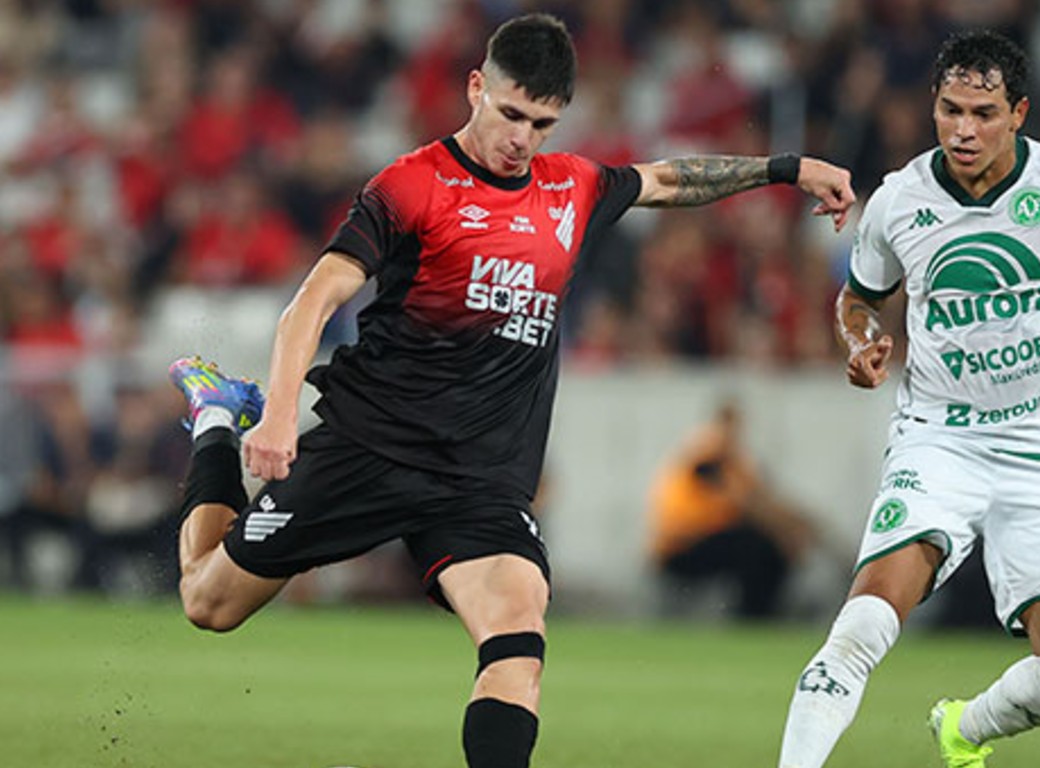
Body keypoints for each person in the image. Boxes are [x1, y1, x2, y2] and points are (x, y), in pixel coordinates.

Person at [166, 13, 854, 768]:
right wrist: (281, 413)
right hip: (370, 445)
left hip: (479, 482)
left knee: (518, 643)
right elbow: (315, 299)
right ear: (475, 89)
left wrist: (785, 168)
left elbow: (667, 180)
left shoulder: (573, 188)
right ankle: (215, 422)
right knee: (209, 603)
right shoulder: (411, 186)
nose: (522, 138)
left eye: (543, 123)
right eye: (511, 113)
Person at [776, 30, 1040, 768]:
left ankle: (963, 728)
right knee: (863, 626)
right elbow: (858, 301)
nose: (963, 130)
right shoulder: (901, 200)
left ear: (1019, 113)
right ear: (932, 106)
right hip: (941, 441)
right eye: (949, 109)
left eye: (983, 112)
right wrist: (860, 342)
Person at [648, 399, 816, 620]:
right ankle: (752, 615)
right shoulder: (707, 454)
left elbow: (760, 497)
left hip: (705, 538)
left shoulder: (729, 458)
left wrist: (796, 524)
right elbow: (746, 502)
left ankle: (761, 612)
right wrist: (786, 531)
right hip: (681, 545)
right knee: (753, 545)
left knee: (762, 546)